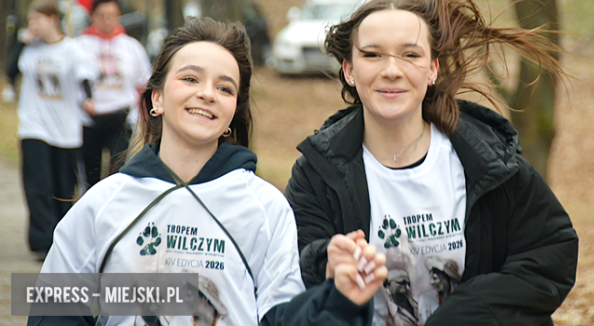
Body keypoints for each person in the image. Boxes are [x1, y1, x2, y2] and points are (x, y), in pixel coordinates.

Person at [30, 17, 387, 326]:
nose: (207, 94)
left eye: (224, 88)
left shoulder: (266, 207)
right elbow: (53, 310)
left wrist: (339, 297)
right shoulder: (104, 202)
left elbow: (282, 317)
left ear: (233, 111)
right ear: (156, 99)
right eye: (190, 79)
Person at [285, 0, 579, 326]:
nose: (391, 70)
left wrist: (461, 317)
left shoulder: (490, 162)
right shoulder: (316, 173)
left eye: (410, 54)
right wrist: (326, 264)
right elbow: (291, 281)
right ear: (350, 71)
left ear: (432, 69)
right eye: (372, 54)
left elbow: (550, 255)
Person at [5, 0, 97, 262]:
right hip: (34, 126)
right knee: (38, 185)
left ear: (53, 20)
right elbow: (11, 72)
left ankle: (62, 236)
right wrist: (22, 42)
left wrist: (89, 98)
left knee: (63, 186)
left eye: (38, 20)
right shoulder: (30, 50)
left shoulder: (71, 49)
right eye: (31, 20)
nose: (33, 25)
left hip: (65, 129)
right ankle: (42, 240)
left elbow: (84, 75)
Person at [78, 0, 151, 187]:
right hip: (89, 120)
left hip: (120, 117)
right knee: (90, 175)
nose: (108, 20)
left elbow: (145, 82)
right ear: (93, 16)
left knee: (117, 173)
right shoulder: (80, 46)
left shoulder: (131, 47)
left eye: (113, 15)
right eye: (102, 15)